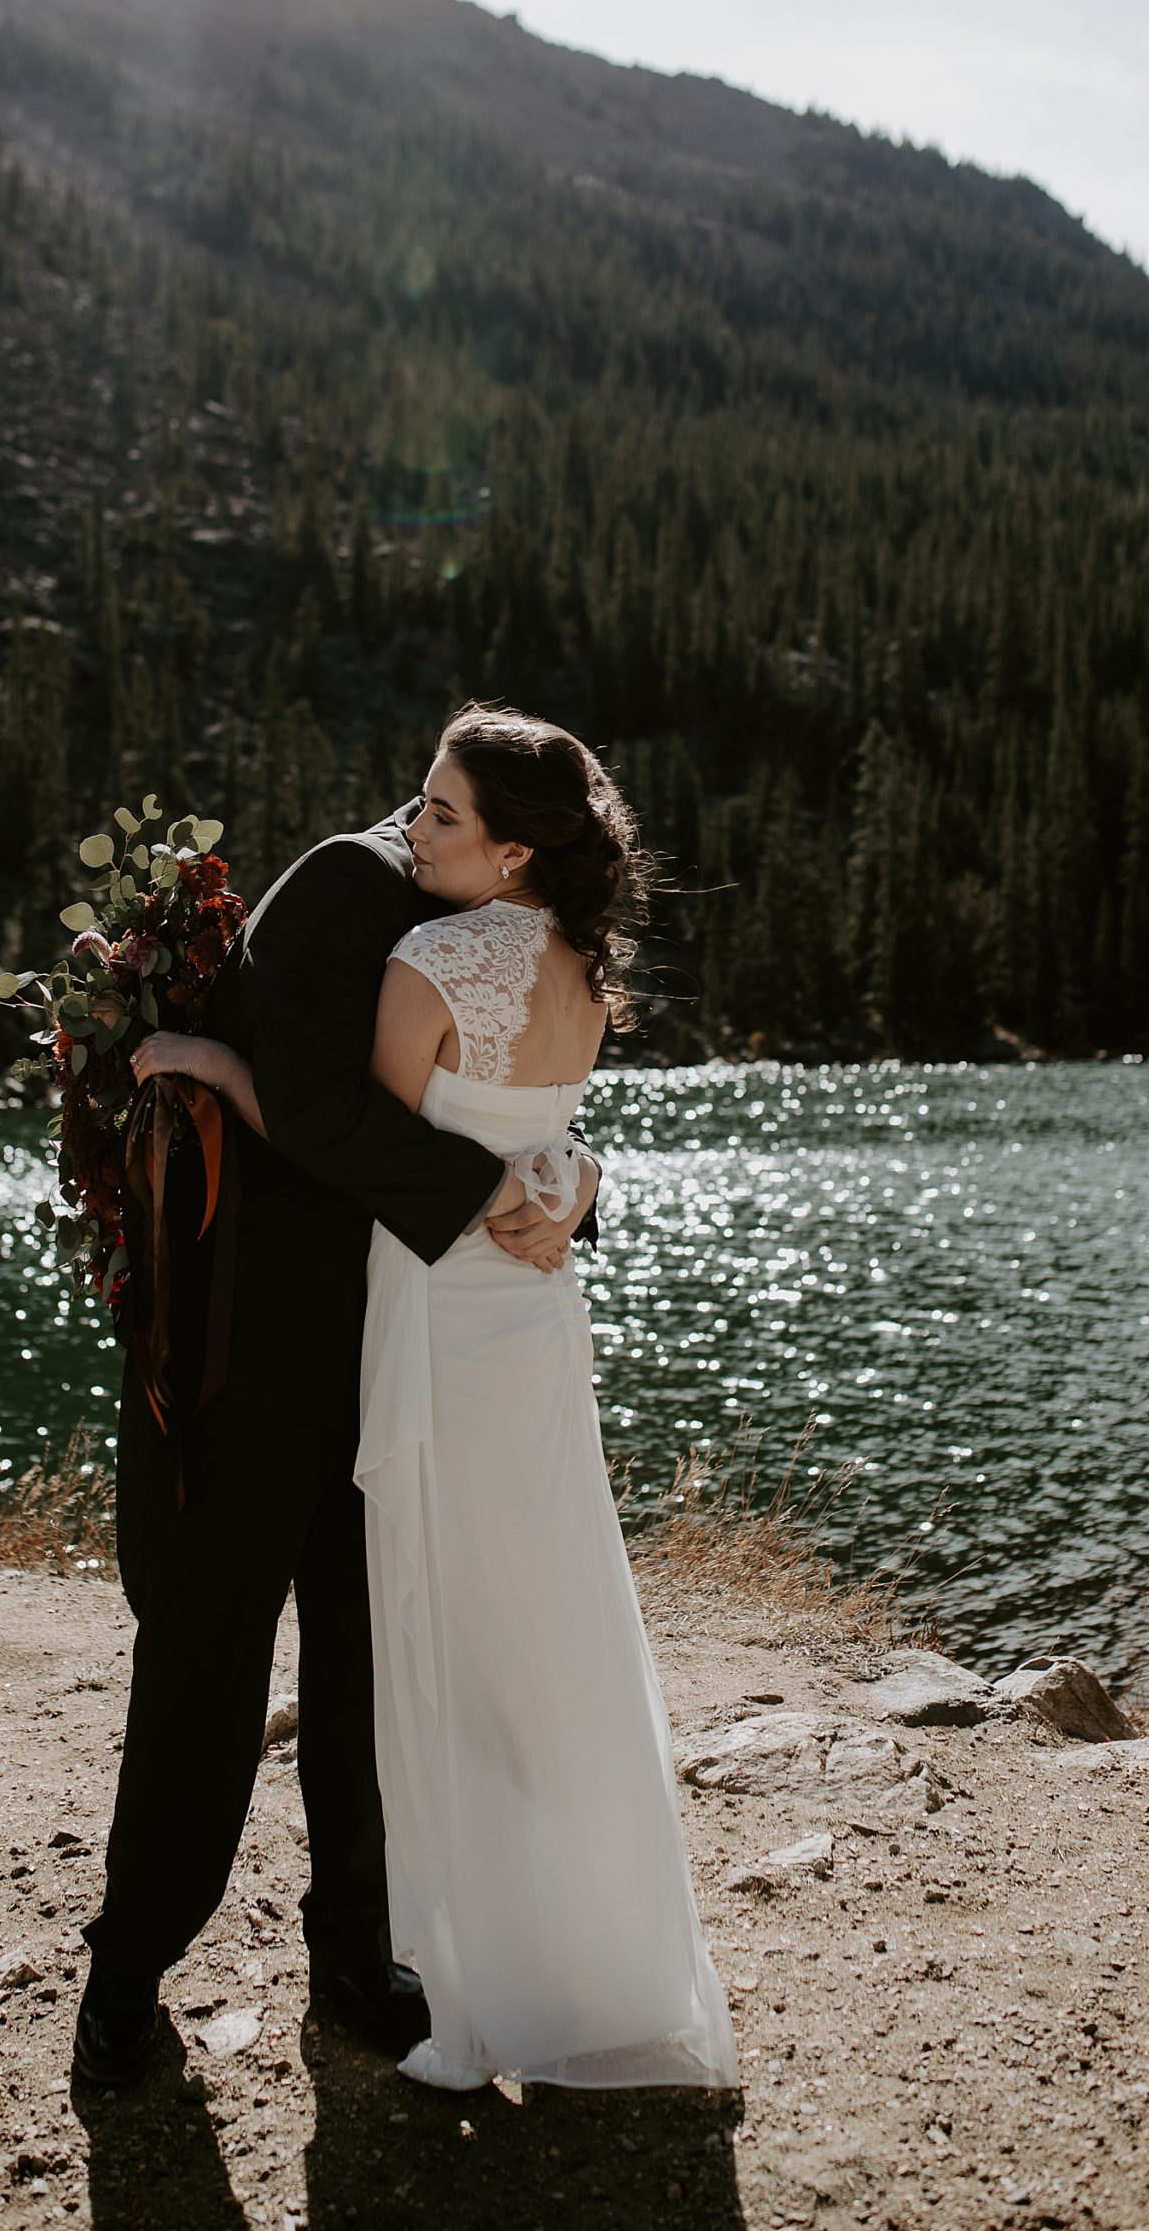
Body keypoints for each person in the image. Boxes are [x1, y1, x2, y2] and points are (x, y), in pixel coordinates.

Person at [164, 705, 737, 2095]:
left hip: (430, 1321)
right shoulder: (586, 973)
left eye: (439, 818)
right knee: (547, 1622)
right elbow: (541, 1137)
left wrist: (219, 1062)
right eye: (420, 803)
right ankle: (599, 1961)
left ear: (515, 850)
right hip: (537, 1327)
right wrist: (573, 1186)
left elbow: (340, 1135)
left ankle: (470, 1990)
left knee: (429, 1635)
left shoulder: (427, 958)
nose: (408, 834)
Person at [72, 774, 600, 2086]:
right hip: (244, 1360)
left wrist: (578, 1178)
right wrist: (498, 1190)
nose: (434, 830)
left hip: (387, 1359)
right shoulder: (344, 889)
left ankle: (358, 1958)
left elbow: (507, 1084)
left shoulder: (484, 921)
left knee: (369, 1671)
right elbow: (311, 1115)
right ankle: (123, 1984)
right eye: (436, 807)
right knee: (207, 1672)